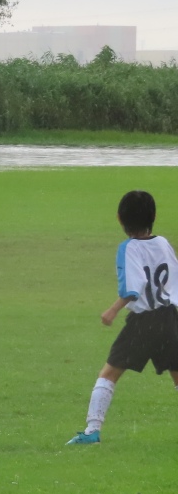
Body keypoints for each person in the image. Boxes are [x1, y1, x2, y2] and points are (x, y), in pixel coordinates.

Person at [68, 190, 178, 444]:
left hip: (143, 322)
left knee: (108, 374)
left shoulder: (128, 248)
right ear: (153, 217)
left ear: (119, 218)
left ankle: (92, 432)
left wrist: (113, 310)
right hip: (169, 318)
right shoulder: (163, 243)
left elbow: (132, 288)